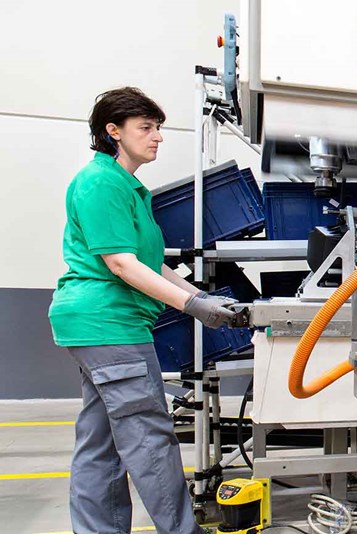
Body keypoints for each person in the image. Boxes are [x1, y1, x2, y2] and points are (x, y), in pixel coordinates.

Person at [48, 87, 234, 534]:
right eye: (146, 128)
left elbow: (151, 263)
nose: (157, 137)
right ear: (113, 131)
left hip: (96, 326)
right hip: (110, 323)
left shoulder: (128, 187)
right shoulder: (101, 183)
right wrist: (192, 306)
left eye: (158, 128)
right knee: (149, 439)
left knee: (101, 442)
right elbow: (121, 264)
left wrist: (202, 297)